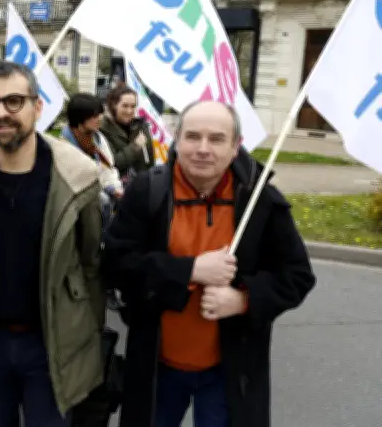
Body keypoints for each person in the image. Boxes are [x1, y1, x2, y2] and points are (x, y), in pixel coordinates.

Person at [103, 100, 316, 427]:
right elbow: (115, 264)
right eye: (193, 137)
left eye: (217, 139)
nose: (203, 149)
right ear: (177, 138)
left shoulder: (260, 201)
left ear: (235, 147)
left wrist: (244, 299)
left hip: (229, 373)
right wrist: (189, 270)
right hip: (157, 367)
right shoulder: (148, 191)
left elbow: (297, 277)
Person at [0, 60, 105, 427]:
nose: (2, 113)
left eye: (14, 101)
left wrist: (86, 337)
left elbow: (91, 263)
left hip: (51, 343)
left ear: (37, 107)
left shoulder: (76, 177)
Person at [60, 93, 123, 223]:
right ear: (80, 118)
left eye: (100, 114)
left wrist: (114, 188)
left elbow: (108, 169)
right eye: (94, 116)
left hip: (102, 195)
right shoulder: (64, 144)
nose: (100, 118)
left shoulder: (98, 138)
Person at [99, 85, 154, 181]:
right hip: (117, 188)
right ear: (114, 105)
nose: (129, 111)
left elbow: (148, 162)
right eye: (125, 106)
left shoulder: (141, 126)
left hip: (142, 186)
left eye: (133, 106)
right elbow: (113, 163)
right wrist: (135, 146)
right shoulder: (102, 128)